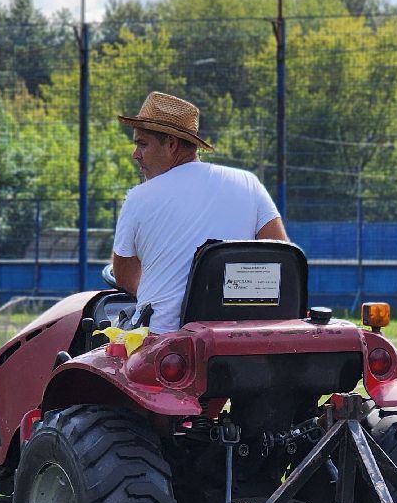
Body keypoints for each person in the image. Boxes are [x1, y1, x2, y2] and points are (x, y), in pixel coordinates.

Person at [111, 91, 288, 332]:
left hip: (164, 341)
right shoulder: (249, 184)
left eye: (142, 144)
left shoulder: (138, 198)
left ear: (171, 144)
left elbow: (126, 278)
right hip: (236, 337)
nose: (136, 154)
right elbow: (281, 258)